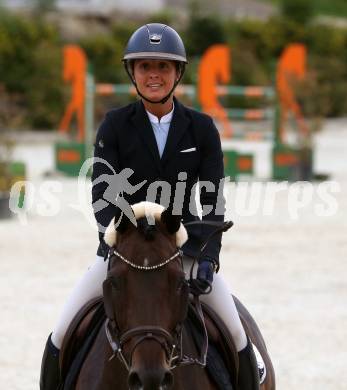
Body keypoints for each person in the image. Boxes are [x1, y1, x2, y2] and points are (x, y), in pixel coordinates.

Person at [40, 23, 264, 390]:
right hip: (124, 252)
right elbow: (102, 194)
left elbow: (213, 201)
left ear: (178, 73)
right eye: (145, 66)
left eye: (163, 66)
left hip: (184, 251)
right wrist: (121, 237)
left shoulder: (202, 129)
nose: (154, 75)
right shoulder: (113, 126)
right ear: (133, 72)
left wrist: (207, 259)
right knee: (61, 334)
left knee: (239, 338)